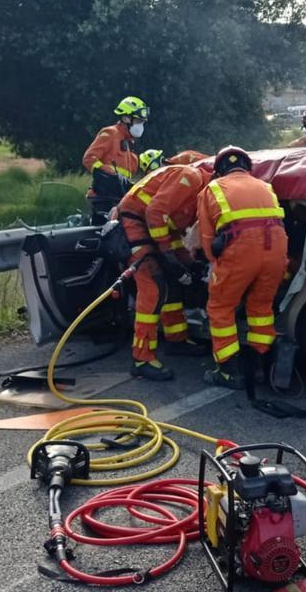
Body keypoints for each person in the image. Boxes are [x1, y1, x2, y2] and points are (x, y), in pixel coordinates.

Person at [195, 146, 288, 388]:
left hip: (241, 250)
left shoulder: (213, 189)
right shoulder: (265, 186)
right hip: (277, 250)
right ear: (247, 168)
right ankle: (258, 366)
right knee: (261, 307)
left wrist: (214, 264)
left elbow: (206, 238)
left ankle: (228, 371)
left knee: (220, 306)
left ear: (219, 171)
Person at [115, 163, 212, 380]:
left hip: (149, 226)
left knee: (173, 283)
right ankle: (141, 358)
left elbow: (171, 232)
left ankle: (176, 340)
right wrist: (167, 255)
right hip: (135, 224)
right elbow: (155, 212)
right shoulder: (191, 178)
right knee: (153, 286)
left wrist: (187, 262)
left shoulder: (195, 193)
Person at [82, 96, 148, 221]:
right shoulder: (111, 133)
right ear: (126, 118)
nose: (141, 125)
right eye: (139, 121)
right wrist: (108, 174)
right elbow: (89, 158)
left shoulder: (128, 144)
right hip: (103, 199)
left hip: (117, 198)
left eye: (143, 122)